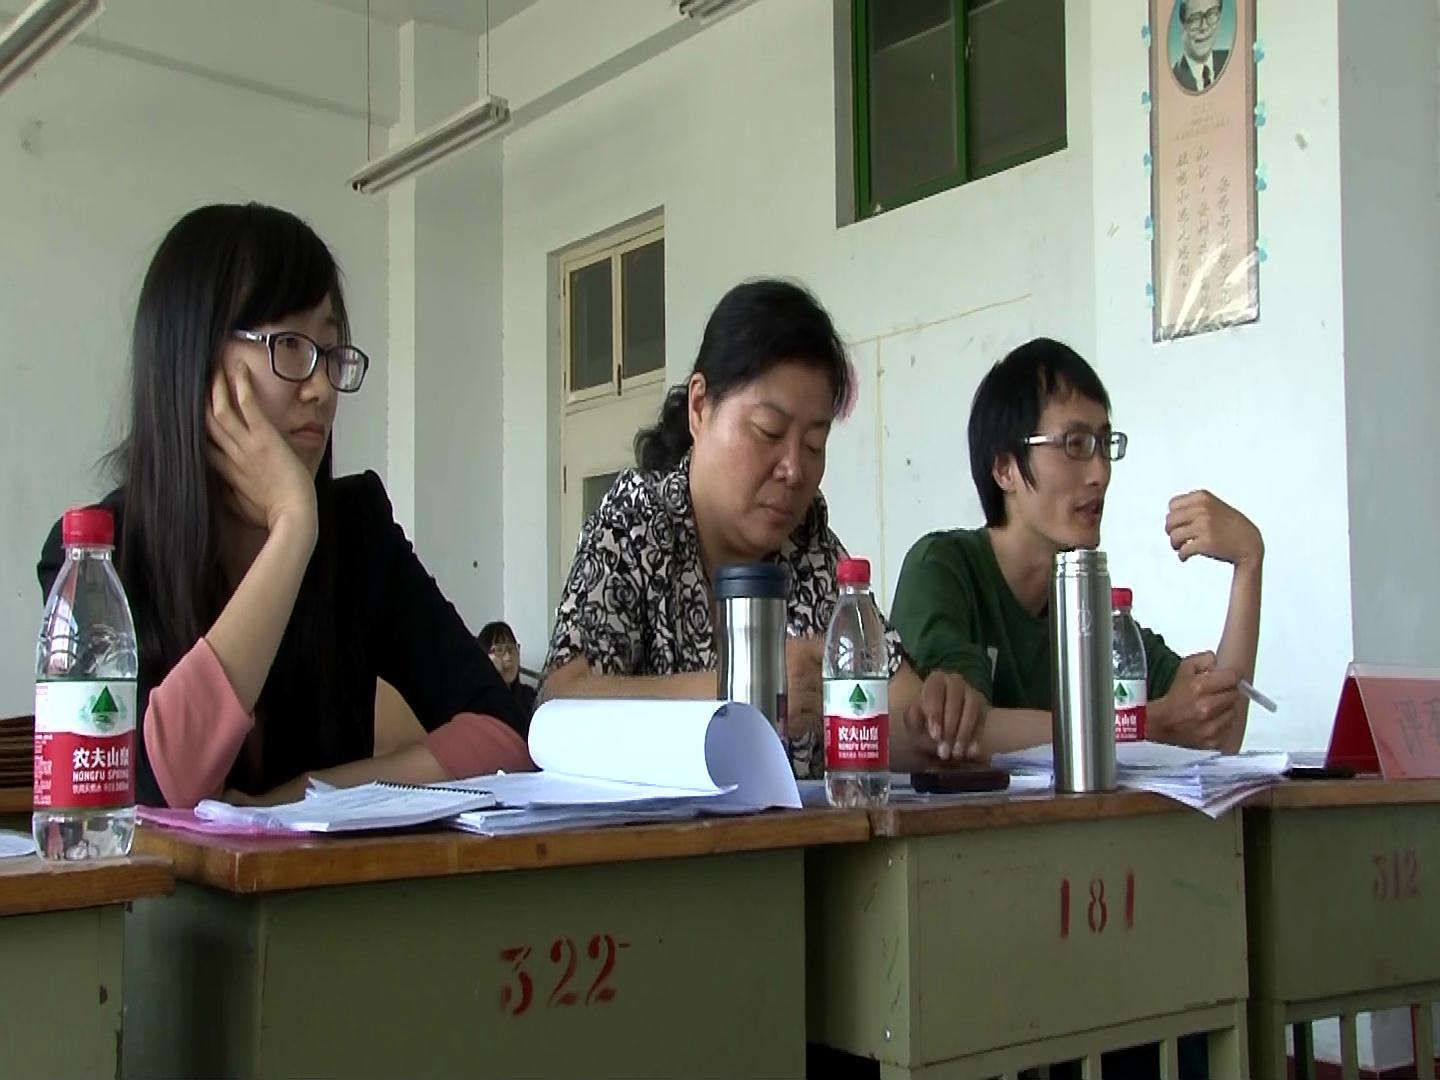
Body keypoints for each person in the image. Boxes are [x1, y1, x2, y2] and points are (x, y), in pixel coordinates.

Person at [37, 203, 530, 809]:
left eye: (330, 351)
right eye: (290, 345)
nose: (321, 388)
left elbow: (504, 737)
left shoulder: (358, 531)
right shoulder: (96, 560)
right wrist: (291, 531)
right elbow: (158, 793)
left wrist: (306, 798)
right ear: (194, 361)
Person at [541, 278, 987, 777]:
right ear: (699, 407)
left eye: (814, 445)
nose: (794, 470)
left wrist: (941, 719)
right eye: (768, 432)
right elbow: (558, 704)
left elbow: (895, 717)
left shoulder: (811, 551)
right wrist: (746, 690)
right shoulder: (636, 523)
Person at [891, 337, 1263, 756]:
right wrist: (1148, 723)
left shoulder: (1086, 606)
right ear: (1004, 468)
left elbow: (1217, 735)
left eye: (1105, 444)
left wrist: (1249, 561)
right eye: (1075, 445)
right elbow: (950, 734)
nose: (1099, 473)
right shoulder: (942, 568)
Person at [479, 621, 538, 729]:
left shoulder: (529, 697)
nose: (508, 657)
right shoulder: (478, 704)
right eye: (499, 650)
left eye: (511, 649)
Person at [1172, 0, 1229, 94]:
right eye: (1195, 19)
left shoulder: (1230, 61)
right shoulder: (1173, 80)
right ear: (1182, 26)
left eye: (1211, 14)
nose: (1204, 27)